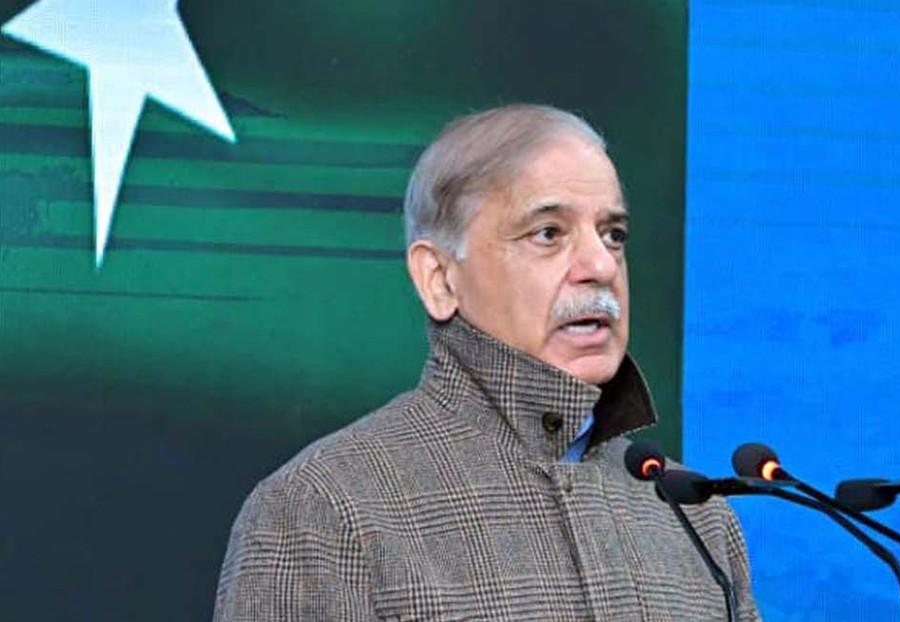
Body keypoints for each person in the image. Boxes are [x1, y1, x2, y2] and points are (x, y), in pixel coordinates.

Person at [212, 104, 761, 621]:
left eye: (612, 235)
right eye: (548, 233)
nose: (601, 265)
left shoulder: (696, 514)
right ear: (439, 279)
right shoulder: (325, 509)